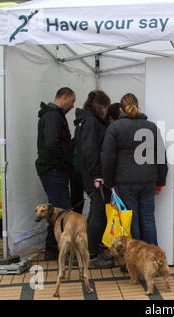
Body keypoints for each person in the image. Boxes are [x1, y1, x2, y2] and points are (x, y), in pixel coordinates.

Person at [101, 93, 168, 246]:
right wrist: (160, 182)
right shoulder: (151, 127)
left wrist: (109, 183)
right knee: (148, 219)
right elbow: (161, 157)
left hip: (125, 181)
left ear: (120, 109)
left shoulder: (115, 128)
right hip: (149, 181)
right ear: (138, 106)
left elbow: (108, 158)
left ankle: (136, 260)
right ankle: (152, 257)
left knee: (132, 220)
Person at [74, 90, 114, 268]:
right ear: (101, 106)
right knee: (97, 212)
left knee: (97, 211)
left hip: (90, 174)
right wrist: (97, 174)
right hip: (94, 176)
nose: (106, 111)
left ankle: (91, 248)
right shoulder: (90, 122)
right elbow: (90, 151)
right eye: (105, 107)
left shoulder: (88, 120)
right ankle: (89, 254)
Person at [36, 87, 75, 260]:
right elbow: (53, 144)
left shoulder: (53, 115)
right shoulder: (53, 116)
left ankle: (52, 249)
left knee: (55, 210)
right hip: (54, 169)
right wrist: (65, 162)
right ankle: (63, 251)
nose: (73, 106)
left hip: (52, 168)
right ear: (64, 97)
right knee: (62, 211)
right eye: (72, 101)